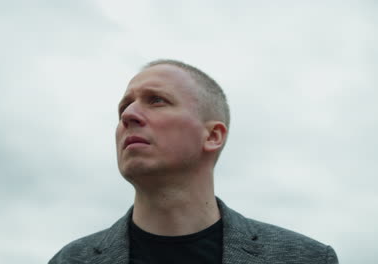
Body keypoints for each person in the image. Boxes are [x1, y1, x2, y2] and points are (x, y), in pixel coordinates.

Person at [49, 59, 338, 264]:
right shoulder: (68, 260)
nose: (128, 115)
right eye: (124, 106)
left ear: (212, 135)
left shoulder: (306, 258)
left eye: (156, 100)